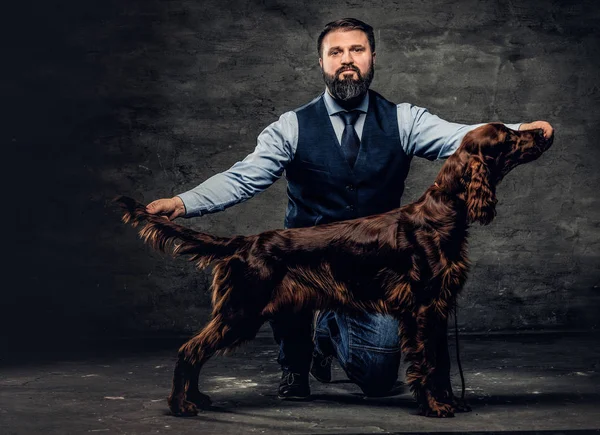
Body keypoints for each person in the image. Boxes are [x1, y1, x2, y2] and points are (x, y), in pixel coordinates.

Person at [146, 18, 554, 400]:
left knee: (378, 379)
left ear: (372, 58)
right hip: (302, 260)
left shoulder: (403, 119)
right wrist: (182, 203)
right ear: (321, 62)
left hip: (372, 268)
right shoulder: (293, 125)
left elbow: (464, 137)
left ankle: (327, 328)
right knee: (274, 294)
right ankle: (296, 362)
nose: (347, 60)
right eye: (336, 52)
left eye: (357, 50)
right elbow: (243, 177)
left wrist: (524, 131)